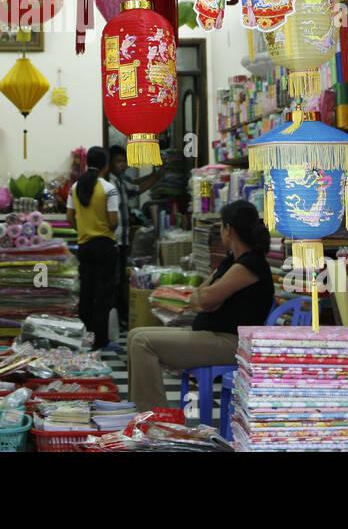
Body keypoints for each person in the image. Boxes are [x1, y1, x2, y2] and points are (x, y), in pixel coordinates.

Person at [126, 200, 274, 412]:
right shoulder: (231, 262)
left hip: (231, 343)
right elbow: (198, 297)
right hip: (212, 336)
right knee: (135, 334)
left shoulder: (250, 265)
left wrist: (206, 300)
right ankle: (139, 410)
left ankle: (153, 417)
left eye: (221, 227)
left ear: (228, 229)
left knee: (142, 341)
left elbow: (203, 299)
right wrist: (206, 300)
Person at [67, 146, 120, 351]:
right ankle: (100, 341)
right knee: (103, 295)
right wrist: (102, 226)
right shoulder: (108, 188)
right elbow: (113, 222)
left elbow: (69, 218)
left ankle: (85, 338)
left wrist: (84, 228)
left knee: (87, 293)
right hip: (104, 245)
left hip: (84, 245)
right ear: (105, 165)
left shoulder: (75, 187)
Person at [107, 143, 162, 330]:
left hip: (122, 240)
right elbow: (137, 187)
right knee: (114, 280)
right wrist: (155, 176)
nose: (122, 165)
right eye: (119, 161)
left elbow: (136, 187)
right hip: (113, 239)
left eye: (124, 161)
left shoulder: (121, 181)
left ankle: (121, 317)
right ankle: (116, 318)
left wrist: (155, 175)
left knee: (120, 279)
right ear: (110, 163)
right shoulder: (110, 183)